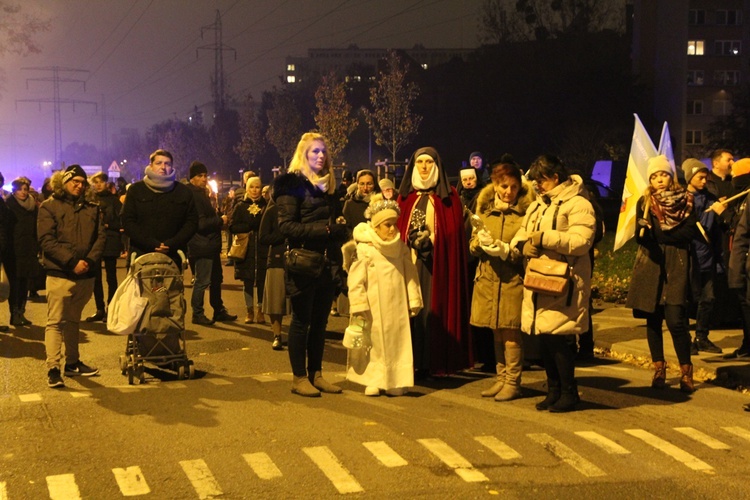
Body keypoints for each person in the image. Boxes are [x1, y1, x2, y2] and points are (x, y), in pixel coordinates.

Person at [515, 154, 596, 412]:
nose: (537, 185)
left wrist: (543, 238)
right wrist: (522, 245)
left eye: (542, 180)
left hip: (564, 281)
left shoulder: (579, 204)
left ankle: (569, 392)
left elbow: (582, 241)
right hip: (539, 279)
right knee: (545, 339)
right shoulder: (539, 205)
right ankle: (554, 391)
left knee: (559, 339)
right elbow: (523, 232)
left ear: (556, 177)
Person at [274, 132, 349, 397]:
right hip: (304, 262)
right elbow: (286, 226)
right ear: (303, 155)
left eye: (323, 152)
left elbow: (335, 221)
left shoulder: (329, 187)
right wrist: (326, 231)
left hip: (327, 263)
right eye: (314, 152)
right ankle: (299, 377)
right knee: (301, 321)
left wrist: (340, 229)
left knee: (320, 324)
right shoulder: (291, 184)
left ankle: (317, 374)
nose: (320, 156)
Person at [396, 146, 471, 378]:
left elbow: (454, 232)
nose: (425, 167)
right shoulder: (405, 198)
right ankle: (410, 362)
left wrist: (432, 240)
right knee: (410, 312)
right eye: (420, 162)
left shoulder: (448, 197)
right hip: (409, 263)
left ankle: (433, 361)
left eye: (429, 162)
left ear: (437, 165)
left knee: (433, 310)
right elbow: (395, 229)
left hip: (437, 266)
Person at [626, 155, 698, 394]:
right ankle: (659, 369)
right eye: (655, 176)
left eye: (664, 174)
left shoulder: (686, 200)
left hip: (676, 262)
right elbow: (641, 236)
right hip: (651, 263)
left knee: (676, 320)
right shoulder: (645, 201)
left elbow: (688, 233)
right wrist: (643, 230)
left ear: (671, 176)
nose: (659, 179)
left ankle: (686, 371)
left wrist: (660, 234)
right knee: (653, 318)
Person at [346, 195, 423, 396]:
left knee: (398, 342)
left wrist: (413, 299)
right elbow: (355, 281)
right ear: (377, 226)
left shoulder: (400, 249)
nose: (391, 229)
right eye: (386, 225)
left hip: (396, 306)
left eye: (394, 224)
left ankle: (396, 380)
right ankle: (374, 379)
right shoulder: (365, 249)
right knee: (375, 343)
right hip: (373, 307)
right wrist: (359, 305)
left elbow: (410, 275)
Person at [38, 165, 106, 388]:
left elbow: (100, 238)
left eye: (82, 182)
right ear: (63, 182)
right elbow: (47, 241)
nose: (79, 185)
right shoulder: (49, 207)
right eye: (74, 181)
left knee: (73, 321)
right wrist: (72, 263)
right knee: (56, 322)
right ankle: (53, 368)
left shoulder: (93, 208)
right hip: (60, 274)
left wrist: (89, 262)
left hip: (85, 275)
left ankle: (73, 363)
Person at [470, 162, 531, 401]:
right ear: (495, 185)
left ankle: (513, 381)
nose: (509, 192)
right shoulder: (484, 211)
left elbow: (528, 249)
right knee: (496, 329)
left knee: (511, 331)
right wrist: (480, 244)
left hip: (512, 280)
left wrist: (506, 251)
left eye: (514, 187)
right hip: (488, 279)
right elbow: (473, 244)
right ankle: (501, 378)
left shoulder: (525, 213)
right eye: (504, 186)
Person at [121, 149, 198, 268]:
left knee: (169, 287)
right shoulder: (136, 190)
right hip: (141, 255)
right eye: (158, 163)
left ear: (172, 167)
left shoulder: (183, 192)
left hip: (173, 255)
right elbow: (127, 221)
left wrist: (172, 243)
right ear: (151, 166)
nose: (163, 167)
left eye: (167, 163)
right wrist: (151, 243)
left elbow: (192, 222)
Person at [187, 161, 237, 326]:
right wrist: (219, 220)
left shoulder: (202, 194)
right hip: (202, 245)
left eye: (205, 176)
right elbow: (200, 223)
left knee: (216, 279)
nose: (203, 179)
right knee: (202, 281)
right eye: (200, 176)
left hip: (211, 244)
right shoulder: (194, 196)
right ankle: (198, 313)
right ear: (192, 178)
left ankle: (218, 309)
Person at [682, 159, 724, 354]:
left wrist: (721, 214)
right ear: (690, 177)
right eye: (700, 177)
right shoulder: (683, 198)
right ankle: (686, 339)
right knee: (688, 299)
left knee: (709, 298)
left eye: (706, 177)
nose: (704, 180)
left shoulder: (710, 197)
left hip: (708, 256)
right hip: (691, 257)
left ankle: (702, 337)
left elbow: (718, 229)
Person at [230, 176, 269, 325]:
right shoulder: (240, 206)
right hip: (245, 250)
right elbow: (233, 226)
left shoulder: (266, 205)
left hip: (261, 249)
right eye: (252, 187)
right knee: (247, 281)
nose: (255, 190)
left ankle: (260, 310)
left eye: (257, 187)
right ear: (247, 188)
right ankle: (249, 310)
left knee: (261, 281)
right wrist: (249, 228)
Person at [86, 172, 122, 322]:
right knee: (96, 278)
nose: (98, 185)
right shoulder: (90, 201)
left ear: (107, 183)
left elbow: (121, 221)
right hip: (95, 242)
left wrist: (108, 225)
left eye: (101, 182)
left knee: (111, 278)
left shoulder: (114, 201)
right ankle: (99, 309)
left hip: (111, 241)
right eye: (96, 182)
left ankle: (111, 309)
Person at [5, 177, 40, 327]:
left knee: (25, 282)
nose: (23, 192)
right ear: (14, 190)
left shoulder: (33, 206)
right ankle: (14, 313)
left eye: (25, 189)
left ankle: (21, 311)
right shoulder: (9, 205)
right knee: (15, 283)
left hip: (29, 248)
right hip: (13, 249)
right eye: (20, 189)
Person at [258, 186, 289, 350]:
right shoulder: (271, 210)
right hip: (277, 258)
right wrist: (284, 235)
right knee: (276, 301)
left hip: (297, 258)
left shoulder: (296, 209)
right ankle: (277, 335)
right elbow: (263, 237)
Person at [727, 158, 750, 359]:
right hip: (743, 263)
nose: (732, 179)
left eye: (735, 175)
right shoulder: (743, 198)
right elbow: (740, 232)